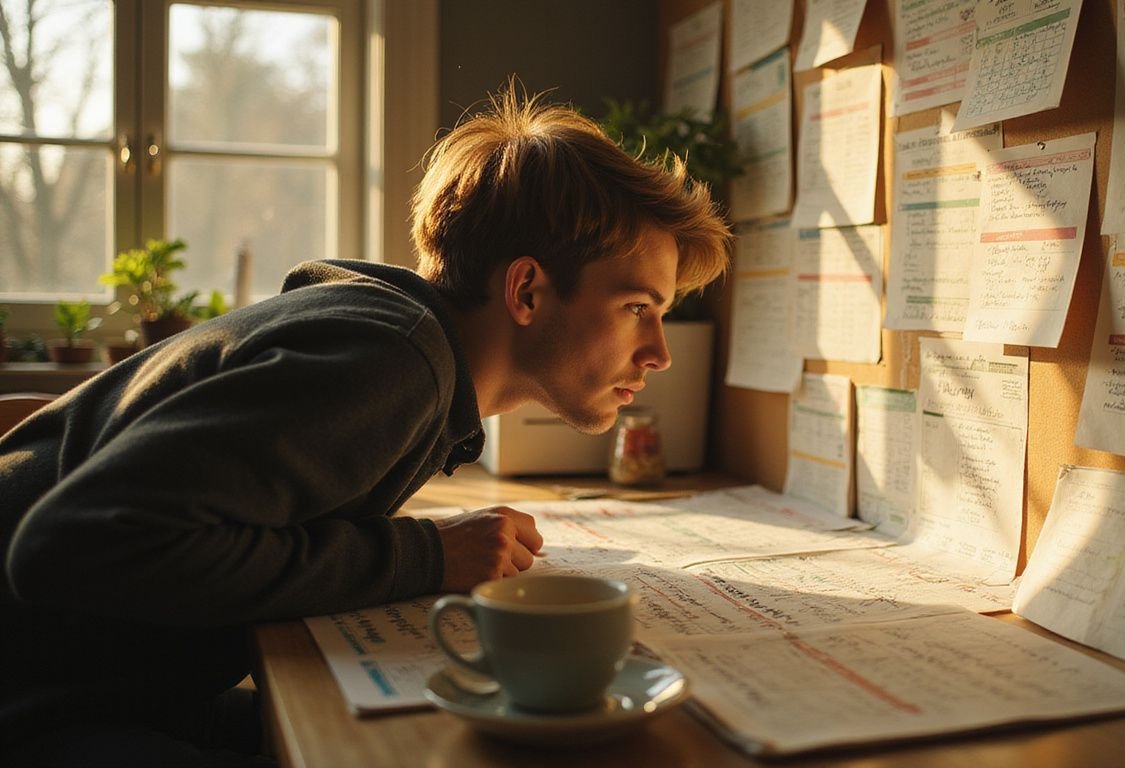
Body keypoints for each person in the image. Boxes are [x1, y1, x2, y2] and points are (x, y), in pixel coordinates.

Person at [0, 84, 732, 765]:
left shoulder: (392, 348)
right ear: (528, 289)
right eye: (639, 308)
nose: (660, 353)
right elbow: (68, 545)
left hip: (105, 689)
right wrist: (424, 557)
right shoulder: (390, 360)